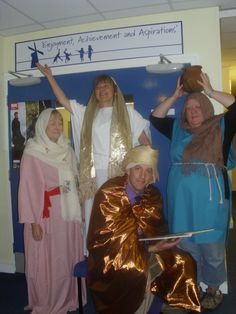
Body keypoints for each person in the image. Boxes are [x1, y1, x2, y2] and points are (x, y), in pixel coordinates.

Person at [37, 63, 151, 254]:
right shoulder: (87, 114)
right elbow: (64, 101)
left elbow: (146, 144)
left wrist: (145, 173)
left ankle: (120, 252)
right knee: (94, 216)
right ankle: (97, 254)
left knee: (118, 216)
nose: (102, 90)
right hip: (93, 176)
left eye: (106, 86)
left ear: (115, 91)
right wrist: (49, 76)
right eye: (98, 87)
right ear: (94, 93)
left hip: (120, 175)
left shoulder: (128, 114)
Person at [150, 72, 236, 311]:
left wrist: (209, 91)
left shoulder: (221, 124)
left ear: (207, 107)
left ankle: (214, 289)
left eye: (198, 106)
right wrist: (176, 95)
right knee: (187, 245)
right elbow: (155, 117)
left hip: (212, 199)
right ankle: (192, 287)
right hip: (182, 200)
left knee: (212, 247)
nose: (193, 111)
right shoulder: (178, 128)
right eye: (189, 108)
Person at [87, 145, 201, 314]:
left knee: (183, 260)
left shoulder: (152, 195)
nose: (142, 175)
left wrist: (167, 241)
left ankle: (172, 304)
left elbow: (158, 228)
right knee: (139, 270)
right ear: (128, 170)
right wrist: (151, 249)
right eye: (138, 168)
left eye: (148, 171)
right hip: (111, 257)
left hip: (144, 249)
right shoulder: (109, 194)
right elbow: (108, 242)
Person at [18, 108, 84, 314]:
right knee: (49, 262)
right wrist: (33, 222)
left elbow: (74, 182)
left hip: (68, 214)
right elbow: (27, 189)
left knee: (67, 258)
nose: (57, 127)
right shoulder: (32, 152)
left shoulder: (68, 150)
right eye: (52, 123)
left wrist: (81, 207)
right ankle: (48, 302)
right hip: (45, 215)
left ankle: (70, 298)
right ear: (42, 126)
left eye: (60, 123)